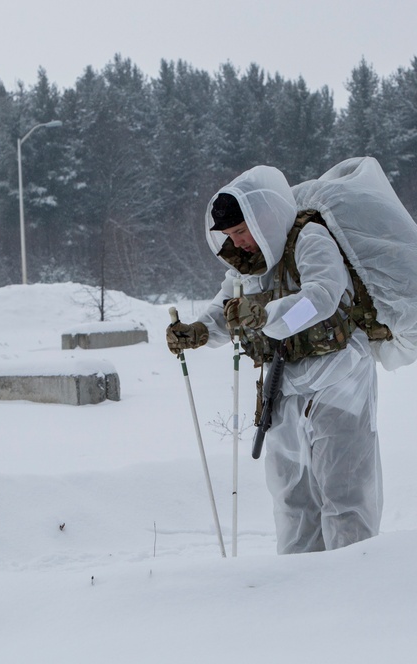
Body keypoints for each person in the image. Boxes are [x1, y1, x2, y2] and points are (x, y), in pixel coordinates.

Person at [165, 165, 381, 554]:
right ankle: (298, 585)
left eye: (241, 231)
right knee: (292, 495)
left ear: (263, 218)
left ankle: (355, 579)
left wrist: (269, 317)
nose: (239, 242)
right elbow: (227, 309)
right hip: (283, 381)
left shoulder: (309, 239)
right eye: (230, 236)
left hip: (338, 376)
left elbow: (321, 297)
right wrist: (198, 331)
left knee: (342, 487)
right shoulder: (248, 264)